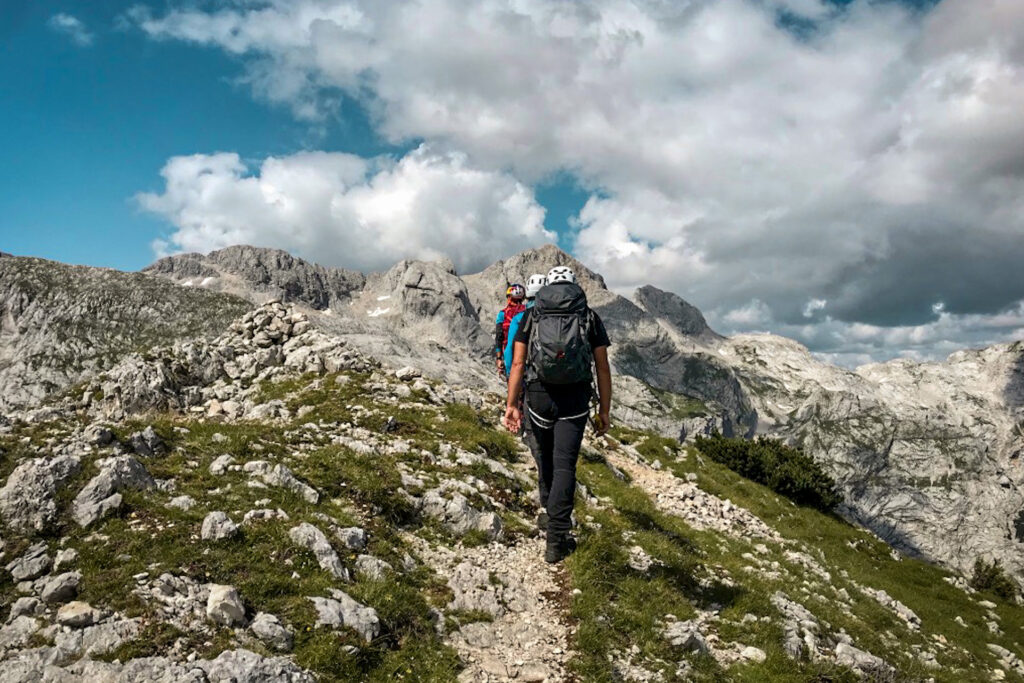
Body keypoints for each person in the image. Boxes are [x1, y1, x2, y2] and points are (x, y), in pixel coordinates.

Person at [503, 266, 612, 563]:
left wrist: (512, 404)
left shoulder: (531, 315)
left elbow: (518, 364)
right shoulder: (589, 316)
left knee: (546, 458)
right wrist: (604, 410)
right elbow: (602, 367)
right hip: (575, 400)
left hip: (539, 396)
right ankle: (556, 539)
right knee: (565, 466)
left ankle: (547, 513)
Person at [494, 284, 526, 378]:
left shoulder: (502, 314)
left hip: (510, 355)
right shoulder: (528, 311)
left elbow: (499, 336)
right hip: (526, 355)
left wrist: (499, 358)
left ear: (509, 297)